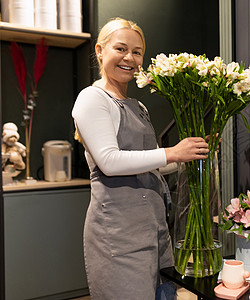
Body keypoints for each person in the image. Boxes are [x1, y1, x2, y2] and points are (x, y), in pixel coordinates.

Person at [72, 17, 209, 299]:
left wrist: (189, 155)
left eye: (137, 52)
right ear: (100, 50)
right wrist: (172, 152)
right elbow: (109, 162)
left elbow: (150, 165)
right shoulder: (92, 98)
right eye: (121, 49)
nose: (129, 58)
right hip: (119, 235)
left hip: (154, 228)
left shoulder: (138, 105)